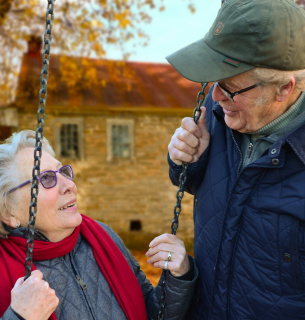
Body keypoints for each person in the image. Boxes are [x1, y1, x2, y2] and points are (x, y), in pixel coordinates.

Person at [166, 0, 305, 319]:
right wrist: (185, 160)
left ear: (283, 88)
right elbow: (196, 184)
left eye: (230, 88)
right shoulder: (219, 116)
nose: (216, 96)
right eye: (216, 83)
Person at [0, 130, 198, 320]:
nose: (69, 185)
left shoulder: (103, 237)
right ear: (9, 213)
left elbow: (152, 313)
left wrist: (178, 276)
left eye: (63, 172)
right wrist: (18, 317)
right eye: (46, 178)